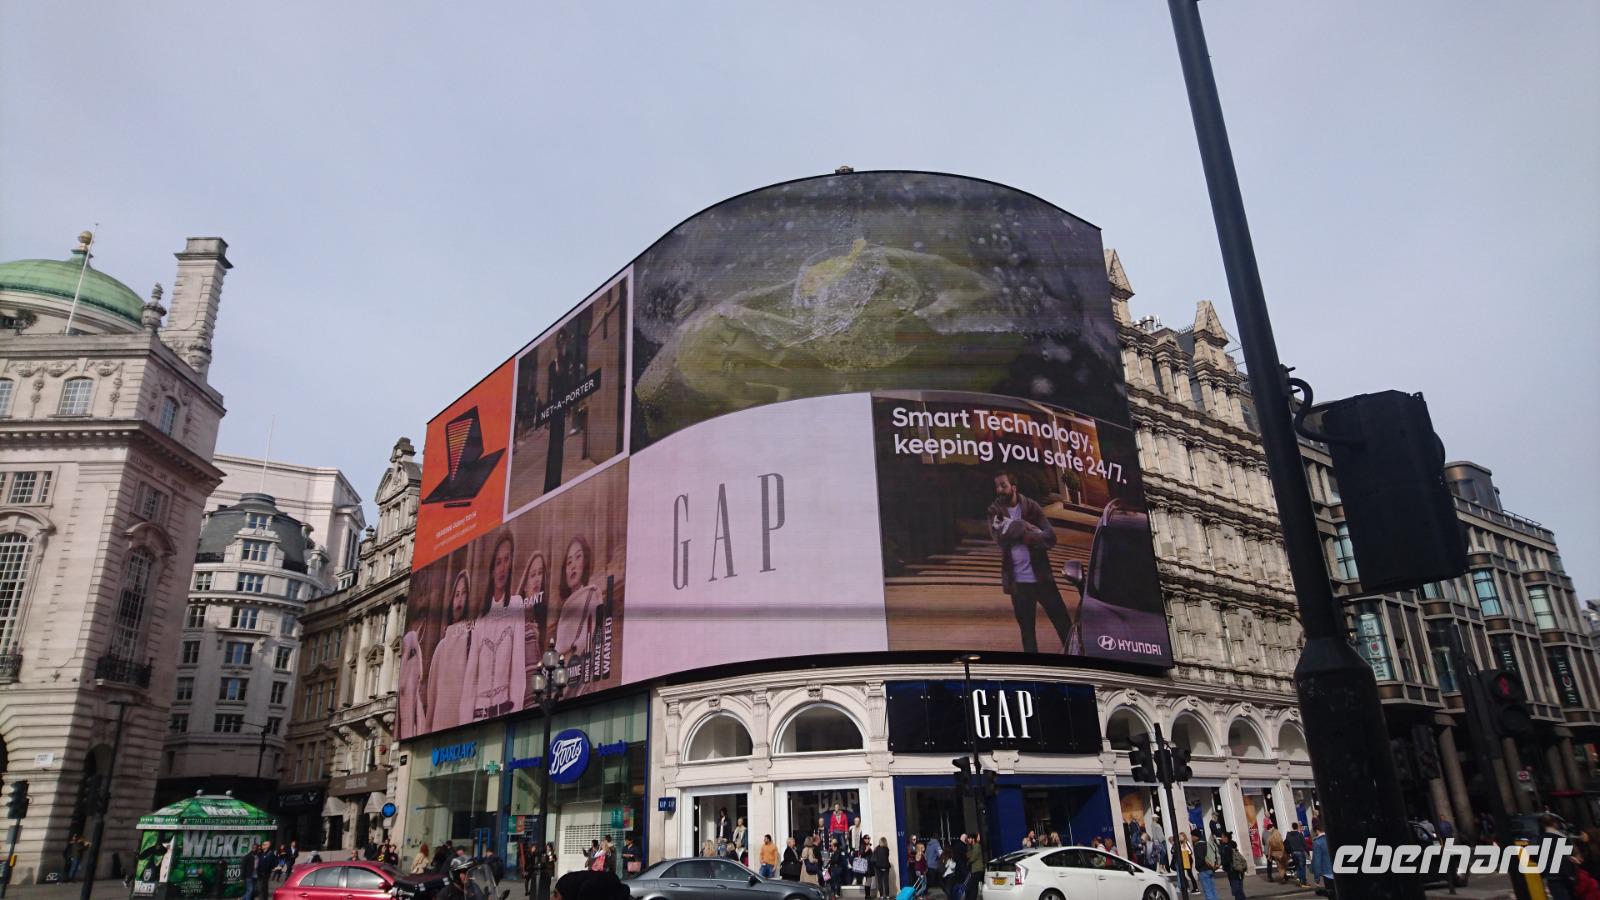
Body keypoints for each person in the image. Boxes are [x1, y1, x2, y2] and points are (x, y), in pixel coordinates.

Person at [465, 533, 528, 721]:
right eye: (498, 562)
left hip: (505, 711)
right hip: (478, 714)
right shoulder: (481, 618)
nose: (502, 567)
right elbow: (470, 679)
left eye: (507, 560)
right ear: (492, 569)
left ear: (511, 565)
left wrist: (517, 713)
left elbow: (518, 666)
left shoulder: (516, 603)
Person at [427, 571, 475, 732]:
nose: (460, 599)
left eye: (464, 594)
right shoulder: (441, 647)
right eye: (456, 594)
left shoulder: (474, 639)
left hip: (467, 723)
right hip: (440, 727)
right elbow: (432, 700)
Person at [552, 536, 601, 675]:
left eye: (578, 557)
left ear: (585, 563)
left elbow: (587, 640)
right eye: (569, 562)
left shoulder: (591, 596)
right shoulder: (565, 608)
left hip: (578, 675)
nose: (572, 565)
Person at [1217, 831, 1247, 900]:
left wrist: (1221, 864)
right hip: (1239, 870)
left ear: (1226, 838)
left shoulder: (1226, 848)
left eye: (1222, 837)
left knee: (1237, 891)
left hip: (1232, 871)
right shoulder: (1233, 845)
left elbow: (1226, 861)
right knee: (1240, 889)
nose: (1221, 838)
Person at [1192, 829, 1220, 900]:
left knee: (1207, 891)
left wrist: (1197, 867)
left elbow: (1201, 858)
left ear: (1196, 836)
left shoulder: (1198, 845)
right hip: (1211, 868)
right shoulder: (1206, 843)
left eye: (1192, 836)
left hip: (1203, 870)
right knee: (1213, 889)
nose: (1191, 838)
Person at [1310, 825, 1334, 899]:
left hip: (1328, 874)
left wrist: (1317, 878)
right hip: (1339, 871)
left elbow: (1317, 861)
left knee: (1331, 894)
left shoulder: (1318, 842)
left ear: (1317, 830)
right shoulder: (1333, 838)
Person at [1285, 821, 1308, 886]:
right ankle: (1303, 881)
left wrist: (1289, 852)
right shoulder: (1300, 834)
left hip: (1293, 853)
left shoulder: (1288, 835)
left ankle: (1300, 880)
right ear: (1297, 827)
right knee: (1302, 867)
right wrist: (1308, 852)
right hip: (1300, 852)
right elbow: (1304, 844)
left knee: (1297, 866)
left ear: (1292, 827)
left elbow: (1287, 844)